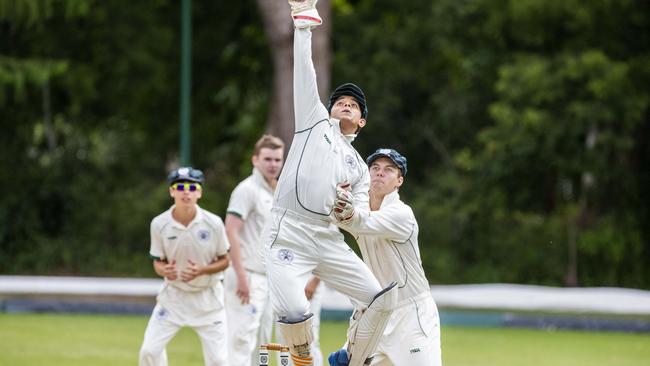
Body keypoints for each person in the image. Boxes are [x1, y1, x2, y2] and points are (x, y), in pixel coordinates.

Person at [263, 2, 398, 366]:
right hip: (289, 232)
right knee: (293, 308)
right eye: (339, 101)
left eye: (353, 105)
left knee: (380, 299)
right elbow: (303, 73)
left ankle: (350, 360)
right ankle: (303, 358)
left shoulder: (358, 164)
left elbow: (357, 216)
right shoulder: (313, 122)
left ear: (362, 121)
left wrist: (348, 211)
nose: (344, 106)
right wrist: (304, 26)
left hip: (327, 238)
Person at [329, 149, 442, 366]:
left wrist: (341, 206)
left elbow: (360, 221)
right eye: (375, 168)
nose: (380, 173)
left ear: (399, 181)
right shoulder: (361, 208)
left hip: (411, 314)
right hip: (378, 313)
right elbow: (337, 218)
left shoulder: (402, 214)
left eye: (388, 170)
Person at [139, 167, 231, 366]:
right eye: (180, 186)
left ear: (199, 192)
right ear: (172, 191)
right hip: (174, 298)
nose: (186, 191)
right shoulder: (159, 224)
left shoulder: (214, 223)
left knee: (220, 361)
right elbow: (158, 261)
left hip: (208, 299)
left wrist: (202, 270)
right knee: (149, 352)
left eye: (192, 187)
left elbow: (225, 260)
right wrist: (163, 270)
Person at [223, 134, 284, 366]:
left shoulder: (276, 191)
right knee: (240, 339)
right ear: (255, 160)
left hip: (267, 277)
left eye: (277, 160)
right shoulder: (246, 190)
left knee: (263, 343)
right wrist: (241, 277)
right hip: (246, 274)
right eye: (267, 159)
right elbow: (231, 231)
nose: (273, 164)